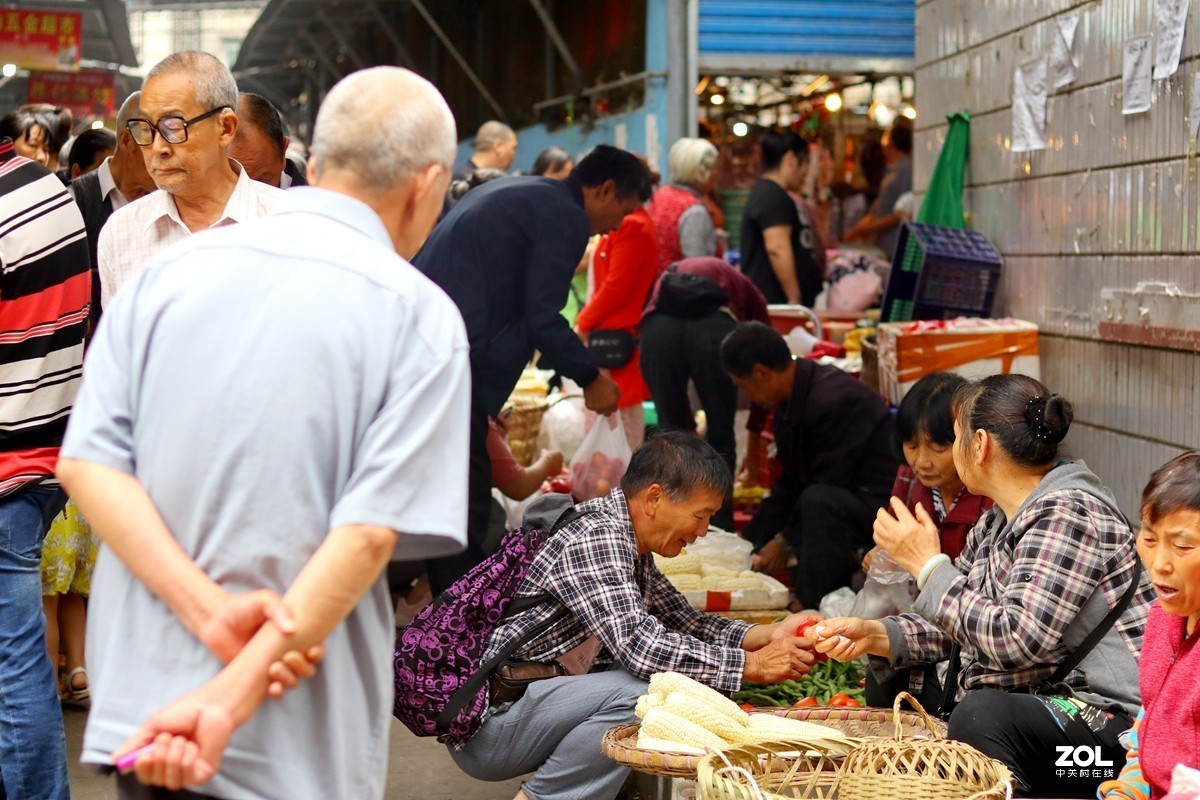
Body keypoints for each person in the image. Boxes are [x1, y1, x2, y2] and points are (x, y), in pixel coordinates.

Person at [56, 65, 471, 798]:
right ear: (427, 183)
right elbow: (369, 536)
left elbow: (89, 465)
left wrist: (207, 614)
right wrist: (226, 699)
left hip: (147, 703)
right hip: (292, 733)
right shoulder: (416, 312)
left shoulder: (163, 278)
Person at [814, 374, 1153, 799]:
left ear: (979, 444)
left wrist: (928, 564)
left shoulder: (1068, 513)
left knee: (982, 715)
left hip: (1111, 737)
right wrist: (879, 635)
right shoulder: (999, 518)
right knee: (897, 674)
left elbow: (1014, 640)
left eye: (953, 438)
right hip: (1048, 701)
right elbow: (961, 618)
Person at [448, 431, 821, 800]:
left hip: (530, 708)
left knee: (665, 681)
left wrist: (768, 634)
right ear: (655, 498)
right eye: (700, 515)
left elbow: (685, 622)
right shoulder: (597, 538)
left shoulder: (629, 544)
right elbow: (642, 648)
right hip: (490, 725)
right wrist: (751, 666)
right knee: (648, 693)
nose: (703, 531)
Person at [414, 144, 650, 594]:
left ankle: (450, 619)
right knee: (464, 504)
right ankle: (455, 632)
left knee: (457, 495)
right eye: (623, 209)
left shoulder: (526, 192)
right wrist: (590, 377)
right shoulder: (565, 217)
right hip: (447, 363)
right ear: (604, 190)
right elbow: (542, 316)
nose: (618, 224)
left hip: (434, 354)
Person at [0, 132, 91, 800]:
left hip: (5, 471)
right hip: (43, 463)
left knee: (15, 668)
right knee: (17, 659)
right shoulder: (48, 193)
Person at [720, 322, 899, 608]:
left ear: (761, 373)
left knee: (818, 502)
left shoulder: (833, 399)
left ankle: (813, 604)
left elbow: (829, 481)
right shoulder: (790, 401)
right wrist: (746, 543)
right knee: (806, 500)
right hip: (841, 494)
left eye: (745, 387)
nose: (750, 397)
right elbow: (791, 481)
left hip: (881, 505)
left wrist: (784, 541)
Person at [98, 51, 285, 308]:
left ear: (225, 128)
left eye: (173, 127)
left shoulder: (288, 225)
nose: (158, 148)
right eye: (146, 128)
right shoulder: (121, 232)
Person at [860, 372, 993, 709]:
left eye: (938, 446)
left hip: (970, 624)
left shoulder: (989, 498)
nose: (922, 461)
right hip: (924, 618)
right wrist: (884, 553)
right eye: (912, 445)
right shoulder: (909, 479)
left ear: (972, 442)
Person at [640, 257, 770, 530]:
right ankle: (717, 528)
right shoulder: (747, 294)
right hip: (712, 331)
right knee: (721, 435)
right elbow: (766, 372)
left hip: (658, 330)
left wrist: (685, 427)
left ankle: (668, 526)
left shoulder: (670, 275)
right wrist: (755, 436)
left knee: (669, 435)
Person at [1099, 452, 1200, 800]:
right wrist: (1126, 792)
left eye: (1182, 546)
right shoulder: (1163, 615)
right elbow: (1147, 728)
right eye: (1150, 539)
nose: (1158, 564)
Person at [575, 155, 661, 451]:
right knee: (612, 425)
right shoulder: (631, 223)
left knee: (617, 427)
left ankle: (614, 493)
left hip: (614, 340)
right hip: (609, 336)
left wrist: (582, 323)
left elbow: (615, 287)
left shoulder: (633, 225)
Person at [69, 91, 158, 332]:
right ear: (127, 141)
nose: (163, 153)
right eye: (153, 141)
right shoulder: (75, 200)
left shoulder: (169, 202)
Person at [740, 130, 821, 307]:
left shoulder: (769, 193)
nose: (807, 171)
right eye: (806, 162)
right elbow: (777, 248)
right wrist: (794, 299)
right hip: (777, 306)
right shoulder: (773, 196)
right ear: (791, 159)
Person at [842, 118, 913, 259]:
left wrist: (869, 228)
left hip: (896, 246)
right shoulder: (892, 170)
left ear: (892, 143)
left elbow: (903, 213)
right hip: (884, 245)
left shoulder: (908, 169)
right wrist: (856, 231)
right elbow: (877, 209)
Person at [649, 137, 720, 269]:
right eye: (715, 168)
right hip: (678, 287)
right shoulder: (695, 211)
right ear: (703, 172)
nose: (717, 174)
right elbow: (697, 270)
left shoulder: (661, 195)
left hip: (659, 285)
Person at [228, 92, 304, 189]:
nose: (249, 195)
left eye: (262, 182)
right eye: (236, 183)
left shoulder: (316, 202)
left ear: (283, 152)